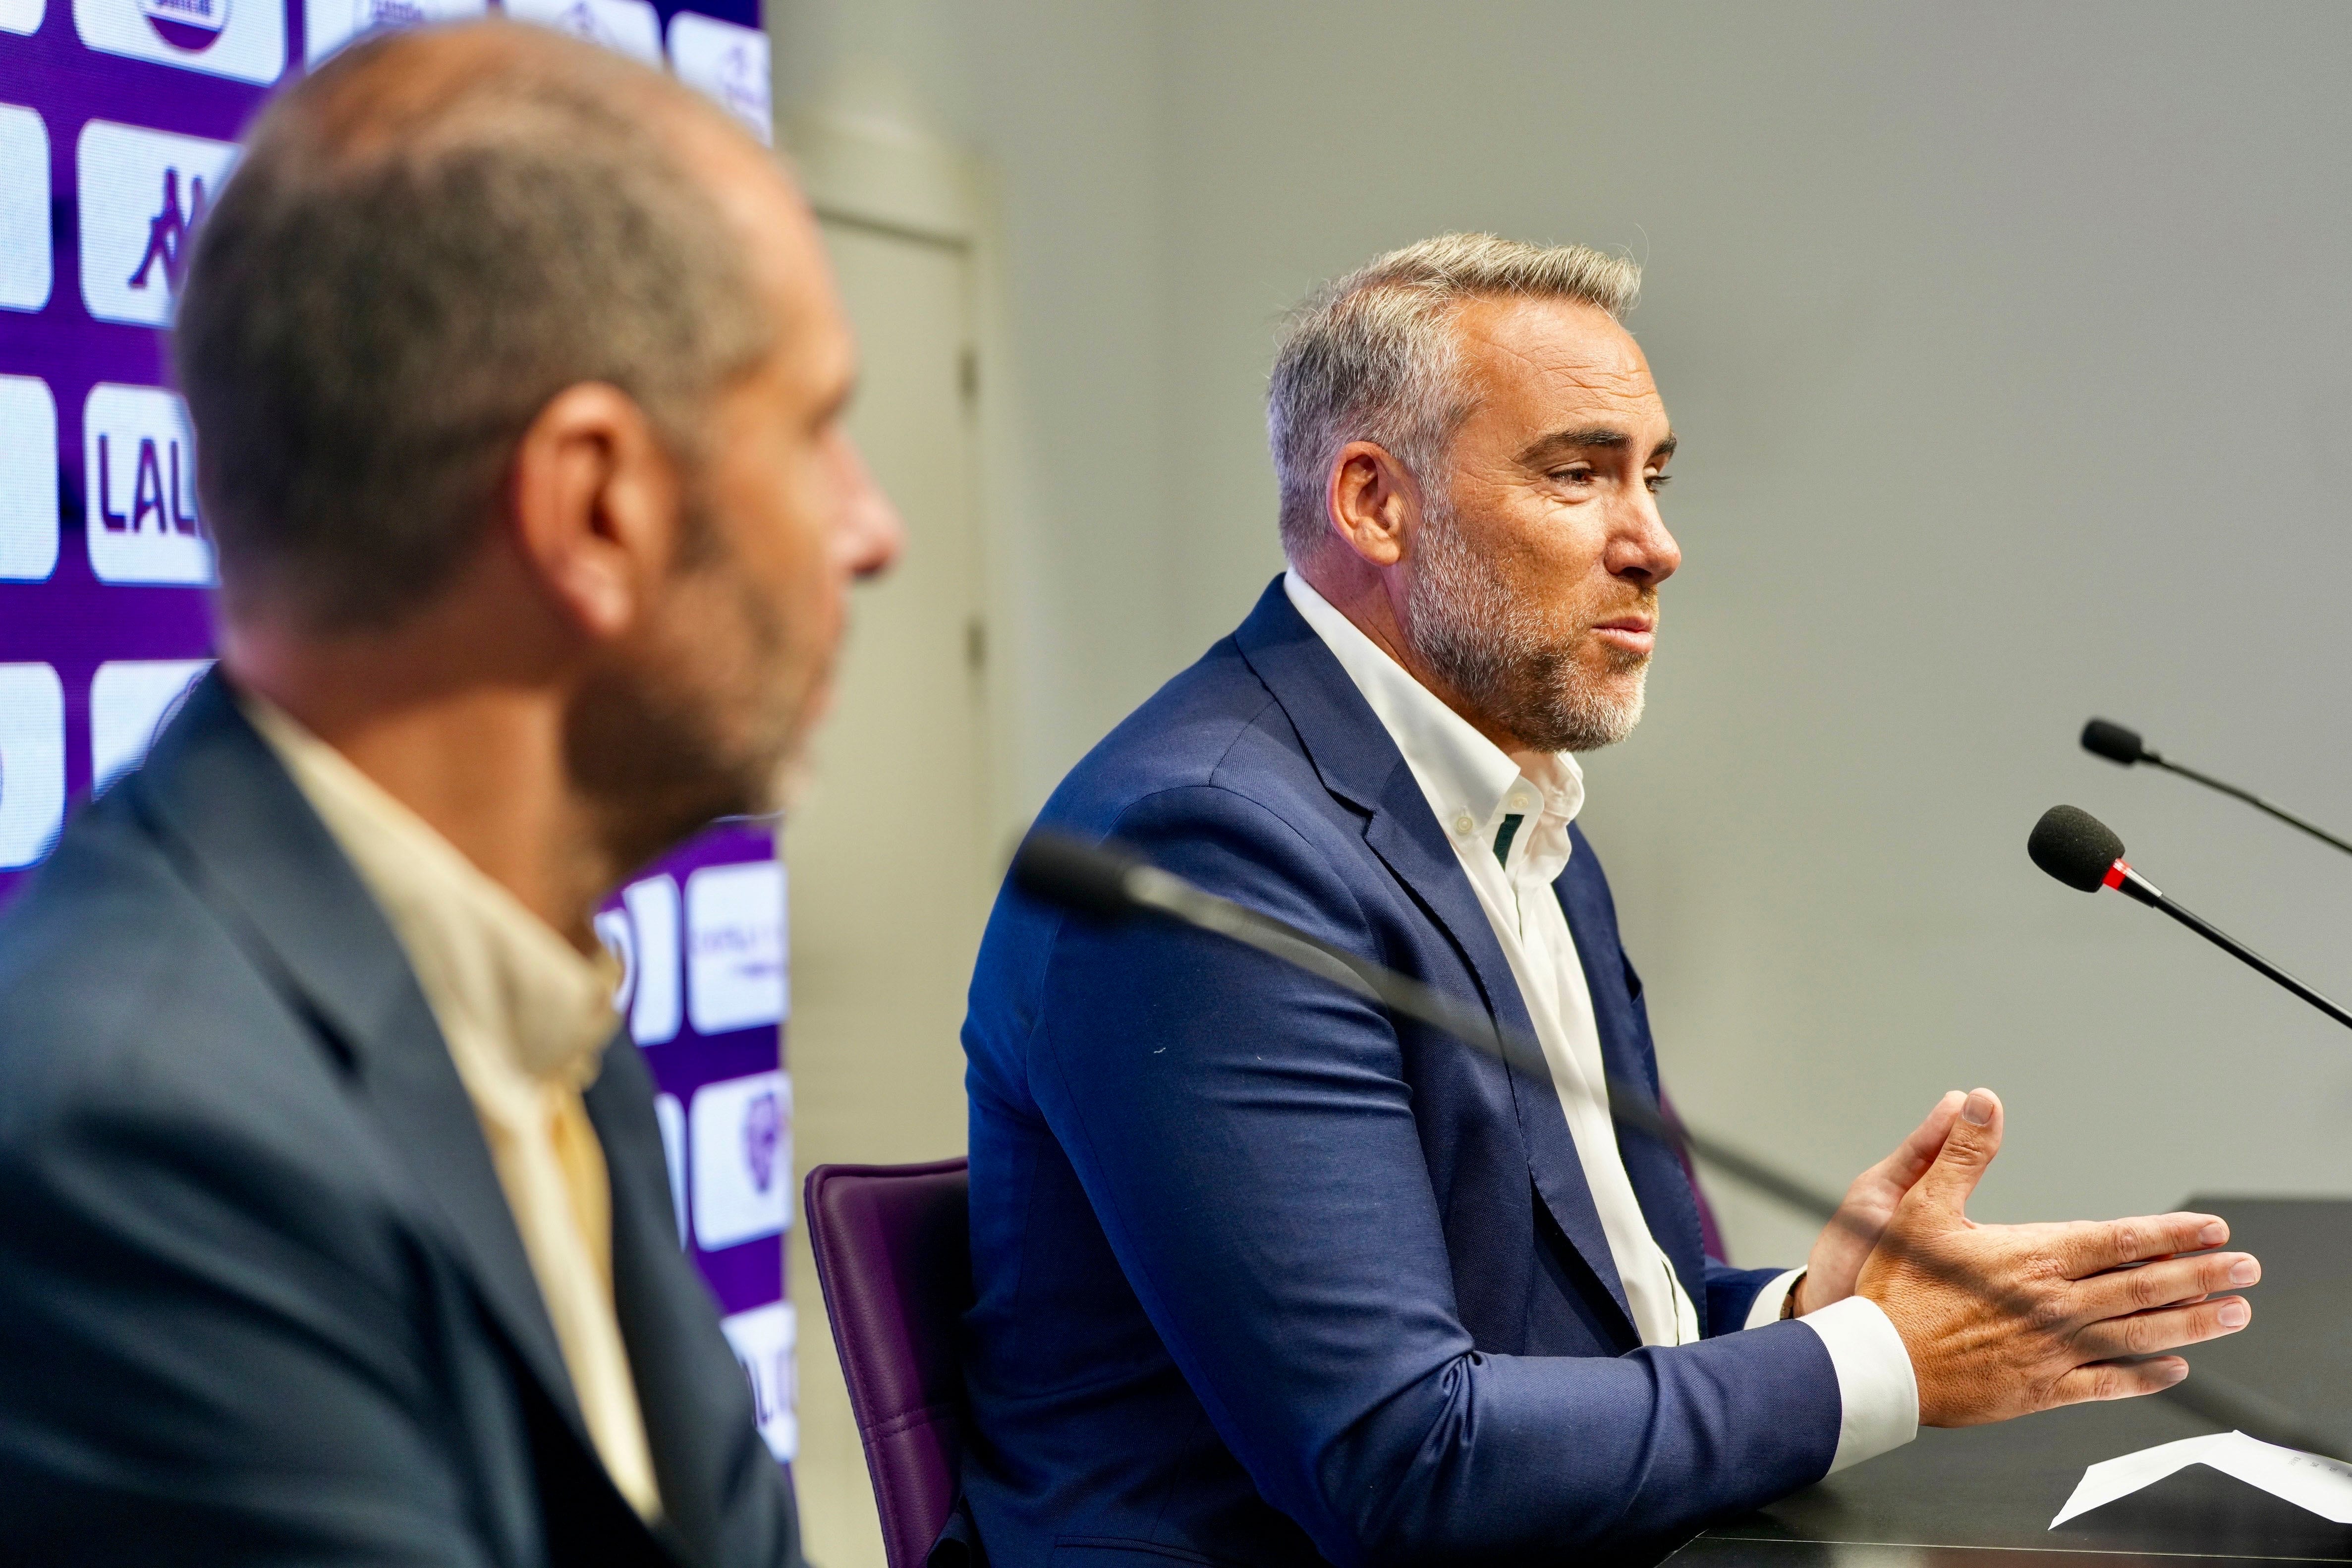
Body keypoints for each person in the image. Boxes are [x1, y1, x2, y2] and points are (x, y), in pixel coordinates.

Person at [955, 235, 2259, 1566]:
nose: (1657, 546)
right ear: (1373, 503)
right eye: (1576, 475)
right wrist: (1882, 1363)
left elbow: (1580, 1325)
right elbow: (1401, 1463)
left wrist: (1819, 1307)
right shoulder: (1208, 848)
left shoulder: (1521, 814)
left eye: (1656, 476)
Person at [0, 21, 899, 1565]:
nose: (867, 527)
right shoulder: (145, 1131)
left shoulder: (541, 1020)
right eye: (814, 431)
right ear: (593, 506)